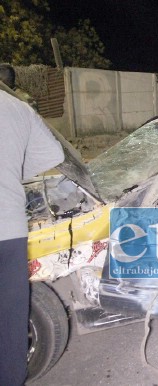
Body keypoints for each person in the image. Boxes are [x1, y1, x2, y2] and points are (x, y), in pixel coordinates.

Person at [0, 80, 64, 385]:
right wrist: (11, 173)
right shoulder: (17, 108)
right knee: (11, 318)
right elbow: (53, 154)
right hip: (10, 229)